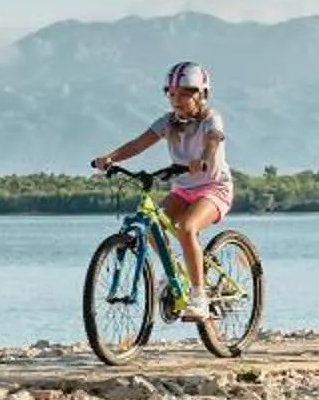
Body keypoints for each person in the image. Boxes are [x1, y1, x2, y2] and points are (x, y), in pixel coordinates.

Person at [89, 62, 233, 321]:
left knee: (186, 228)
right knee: (151, 226)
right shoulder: (167, 122)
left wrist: (202, 159)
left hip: (214, 188)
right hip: (183, 189)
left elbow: (213, 141)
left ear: (201, 94)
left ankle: (199, 297)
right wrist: (110, 158)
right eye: (171, 93)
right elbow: (138, 143)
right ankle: (174, 273)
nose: (176, 99)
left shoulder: (212, 119)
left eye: (184, 93)